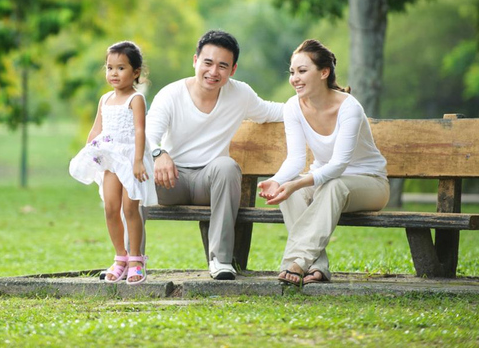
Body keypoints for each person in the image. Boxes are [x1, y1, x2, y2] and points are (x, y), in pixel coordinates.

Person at [146, 30, 284, 280]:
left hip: (209, 183)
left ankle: (220, 261)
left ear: (232, 70)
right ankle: (130, 260)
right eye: (208, 62)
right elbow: (147, 135)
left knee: (226, 166)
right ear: (195, 60)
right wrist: (159, 153)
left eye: (223, 66)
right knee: (127, 174)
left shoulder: (240, 94)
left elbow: (273, 111)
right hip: (170, 181)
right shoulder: (171, 94)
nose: (213, 72)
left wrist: (320, 100)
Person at [258, 39, 389, 286]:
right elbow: (296, 159)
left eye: (302, 71)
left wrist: (296, 184)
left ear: (324, 72)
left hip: (370, 184)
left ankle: (295, 262)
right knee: (289, 191)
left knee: (332, 185)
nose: (294, 78)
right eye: (292, 72)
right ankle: (316, 267)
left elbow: (339, 165)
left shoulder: (349, 107)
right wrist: (277, 181)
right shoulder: (293, 107)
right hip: (326, 181)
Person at [69, 41, 157, 285]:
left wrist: (138, 161)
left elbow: (140, 131)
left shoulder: (136, 99)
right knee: (110, 208)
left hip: (130, 160)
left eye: (121, 68)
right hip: (109, 160)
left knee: (131, 209)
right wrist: (88, 154)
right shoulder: (105, 99)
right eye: (110, 68)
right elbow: (97, 129)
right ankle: (120, 256)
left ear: (136, 72)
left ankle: (136, 259)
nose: (114, 73)